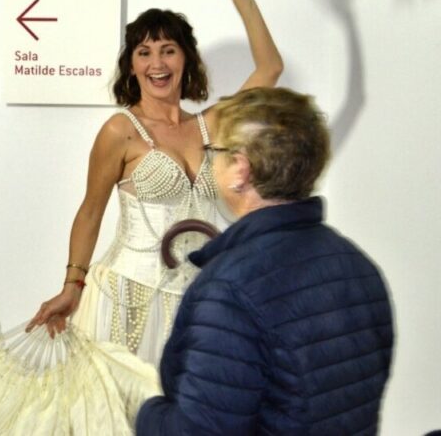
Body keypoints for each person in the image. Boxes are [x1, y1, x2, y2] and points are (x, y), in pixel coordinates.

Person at [28, 0, 283, 365]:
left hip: (199, 301)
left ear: (186, 59)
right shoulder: (120, 131)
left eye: (168, 49)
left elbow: (270, 67)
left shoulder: (213, 123)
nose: (156, 62)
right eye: (143, 52)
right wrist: (72, 285)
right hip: (127, 297)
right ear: (132, 65)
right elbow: (91, 211)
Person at [136, 87, 394, 434]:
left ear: (240, 170)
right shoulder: (359, 268)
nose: (212, 162)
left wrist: (143, 409)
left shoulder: (229, 290)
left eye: (216, 152)